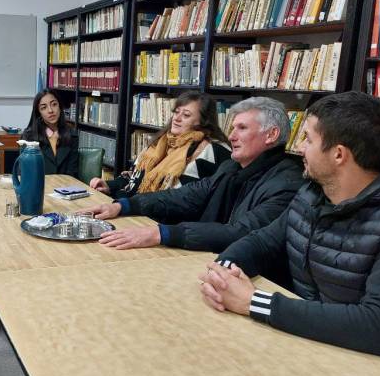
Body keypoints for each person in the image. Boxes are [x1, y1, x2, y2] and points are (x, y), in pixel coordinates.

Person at [199, 91, 380, 359]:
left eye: (308, 139)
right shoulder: (313, 192)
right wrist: (222, 275)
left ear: (339, 154)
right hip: (312, 348)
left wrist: (254, 302)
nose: (299, 147)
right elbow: (263, 242)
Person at [84, 97, 303, 253]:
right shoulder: (232, 168)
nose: (232, 136)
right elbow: (185, 196)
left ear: (271, 135)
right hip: (206, 257)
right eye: (232, 128)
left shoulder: (286, 184)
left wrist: (162, 234)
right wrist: (123, 206)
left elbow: (240, 233)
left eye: (242, 128)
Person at [89, 92, 231, 199]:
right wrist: (109, 186)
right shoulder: (160, 142)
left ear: (203, 121)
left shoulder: (210, 150)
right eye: (176, 112)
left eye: (186, 115)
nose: (177, 118)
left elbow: (186, 199)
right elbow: (135, 177)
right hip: (128, 205)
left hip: (154, 220)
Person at [21, 89, 79, 177]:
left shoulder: (72, 135)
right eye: (44, 108)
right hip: (38, 187)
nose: (50, 110)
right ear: (39, 113)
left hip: (64, 188)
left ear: (60, 107)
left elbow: (72, 173)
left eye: (54, 104)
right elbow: (24, 171)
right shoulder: (29, 137)